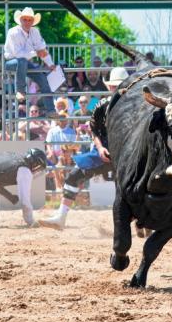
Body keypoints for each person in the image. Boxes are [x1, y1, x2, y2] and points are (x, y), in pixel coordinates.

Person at [38, 67, 129, 230]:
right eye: (113, 86)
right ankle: (61, 216)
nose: (115, 88)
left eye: (118, 85)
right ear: (109, 87)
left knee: (132, 189)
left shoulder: (134, 106)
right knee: (74, 175)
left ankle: (140, 222)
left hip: (127, 156)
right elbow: (94, 130)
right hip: (104, 152)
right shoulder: (102, 105)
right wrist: (100, 148)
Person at [3, 7, 57, 116]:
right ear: (20, 20)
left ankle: (51, 111)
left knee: (42, 78)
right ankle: (20, 90)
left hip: (25, 63)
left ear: (33, 21)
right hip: (11, 62)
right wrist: (36, 53)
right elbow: (18, 54)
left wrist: (50, 64)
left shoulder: (35, 31)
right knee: (22, 61)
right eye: (25, 19)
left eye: (29, 20)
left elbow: (41, 48)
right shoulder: (13, 32)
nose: (27, 22)